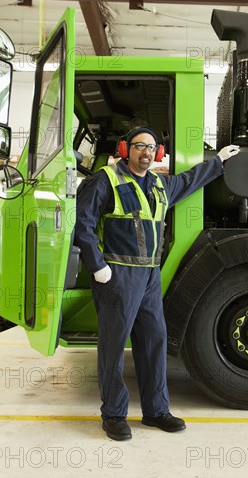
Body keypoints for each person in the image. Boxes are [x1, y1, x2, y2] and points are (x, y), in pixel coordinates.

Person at [75, 126, 239, 441]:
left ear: (158, 154)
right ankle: (113, 414)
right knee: (113, 347)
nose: (146, 153)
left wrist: (217, 162)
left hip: (149, 276)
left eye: (152, 148)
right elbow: (82, 223)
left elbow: (189, 181)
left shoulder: (160, 186)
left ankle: (155, 410)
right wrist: (97, 267)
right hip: (118, 275)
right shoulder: (105, 180)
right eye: (139, 146)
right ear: (125, 150)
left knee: (154, 342)